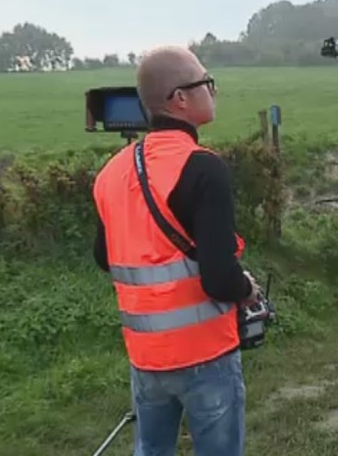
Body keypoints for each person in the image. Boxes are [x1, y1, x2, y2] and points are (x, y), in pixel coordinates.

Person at [92, 45, 258, 456]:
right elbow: (219, 278)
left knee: (151, 449)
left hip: (145, 356)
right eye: (207, 83)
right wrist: (247, 289)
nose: (213, 92)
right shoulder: (203, 167)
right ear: (180, 99)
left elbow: (103, 256)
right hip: (205, 353)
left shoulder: (111, 172)